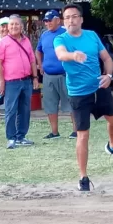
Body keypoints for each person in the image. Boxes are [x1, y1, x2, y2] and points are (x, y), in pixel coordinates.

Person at [54, 3, 113, 191]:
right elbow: (61, 55)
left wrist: (109, 76)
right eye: (67, 17)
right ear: (64, 21)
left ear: (81, 19)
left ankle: (112, 146)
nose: (71, 20)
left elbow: (107, 59)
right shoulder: (60, 39)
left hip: (99, 88)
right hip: (78, 94)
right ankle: (83, 177)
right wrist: (73, 55)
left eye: (74, 16)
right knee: (83, 135)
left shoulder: (92, 36)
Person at [0, 14, 38, 149]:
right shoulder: (3, 43)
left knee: (25, 110)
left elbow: (32, 60)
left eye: (16, 24)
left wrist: (35, 77)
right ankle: (11, 138)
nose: (14, 27)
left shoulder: (26, 41)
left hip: (26, 81)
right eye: (11, 24)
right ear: (8, 27)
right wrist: (1, 81)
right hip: (11, 82)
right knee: (11, 110)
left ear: (21, 26)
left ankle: (21, 136)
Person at [36, 9, 76, 140]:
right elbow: (38, 51)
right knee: (50, 104)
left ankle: (76, 130)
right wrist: (40, 64)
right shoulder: (44, 35)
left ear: (57, 20)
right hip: (48, 75)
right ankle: (54, 132)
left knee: (71, 103)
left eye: (50, 20)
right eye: (45, 21)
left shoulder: (66, 33)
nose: (47, 23)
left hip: (65, 74)